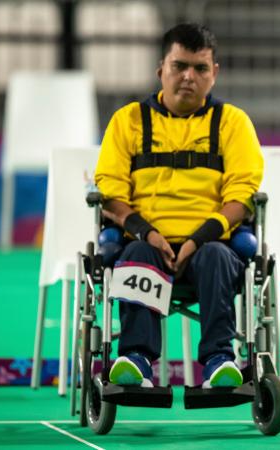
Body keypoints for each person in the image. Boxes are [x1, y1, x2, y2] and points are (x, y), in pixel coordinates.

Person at [94, 23, 263, 390]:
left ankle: (220, 359)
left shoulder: (233, 123)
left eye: (200, 68)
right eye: (179, 66)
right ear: (161, 70)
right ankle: (136, 359)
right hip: (144, 242)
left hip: (210, 246)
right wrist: (147, 232)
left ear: (214, 74)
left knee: (218, 256)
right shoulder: (128, 121)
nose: (189, 76)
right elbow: (109, 191)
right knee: (135, 252)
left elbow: (243, 194)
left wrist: (197, 240)